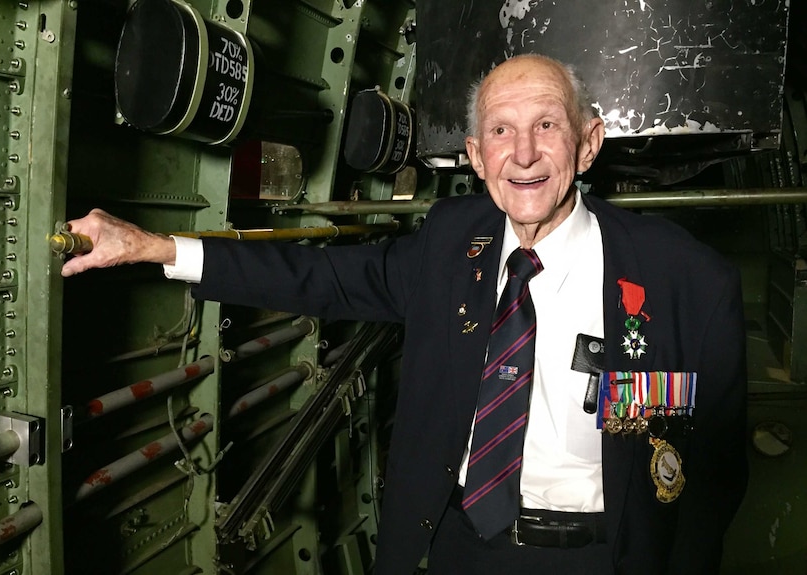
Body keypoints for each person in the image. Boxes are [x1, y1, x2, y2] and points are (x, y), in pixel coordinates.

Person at [62, 54, 747, 574]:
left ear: (589, 143)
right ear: (478, 158)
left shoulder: (686, 281)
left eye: (547, 125)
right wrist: (154, 246)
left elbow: (713, 475)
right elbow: (318, 276)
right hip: (453, 544)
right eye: (501, 132)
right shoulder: (452, 243)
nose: (526, 154)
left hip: (595, 554)